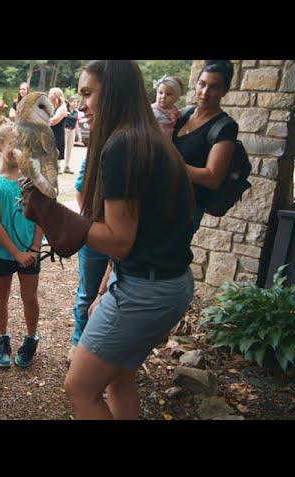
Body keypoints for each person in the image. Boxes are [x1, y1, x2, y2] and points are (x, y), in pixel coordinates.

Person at [20, 60, 195, 420]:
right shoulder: (146, 138)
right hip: (166, 284)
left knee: (80, 388)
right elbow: (140, 231)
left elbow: (118, 241)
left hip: (147, 290)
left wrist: (53, 212)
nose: (80, 103)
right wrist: (105, 289)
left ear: (112, 93)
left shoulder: (123, 146)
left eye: (87, 93)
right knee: (118, 379)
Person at [0, 124, 44, 368]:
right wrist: (16, 252)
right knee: (1, 295)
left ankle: (31, 337)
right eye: (12, 145)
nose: (18, 151)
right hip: (3, 252)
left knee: (29, 296)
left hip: (30, 252)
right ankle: (2, 337)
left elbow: (41, 217)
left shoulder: (33, 181)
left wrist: (35, 249)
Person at [172, 60, 238, 233]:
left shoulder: (224, 127)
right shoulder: (183, 115)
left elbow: (213, 178)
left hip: (185, 211)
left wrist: (170, 165)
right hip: (159, 199)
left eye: (214, 87)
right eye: (202, 84)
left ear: (225, 91)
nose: (205, 92)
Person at [67, 157, 110, 364]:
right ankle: (79, 343)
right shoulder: (96, 153)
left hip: (125, 235)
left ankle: (102, 348)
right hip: (95, 232)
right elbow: (81, 190)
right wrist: (93, 224)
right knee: (87, 294)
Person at [48, 87, 68, 172]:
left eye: (50, 94)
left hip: (57, 133)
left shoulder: (62, 107)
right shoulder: (48, 106)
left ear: (56, 96)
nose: (48, 95)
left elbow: (54, 121)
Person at [63, 96, 81, 174]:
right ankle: (59, 166)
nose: (75, 103)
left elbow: (77, 124)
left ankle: (67, 166)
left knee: (70, 149)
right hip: (65, 130)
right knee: (63, 148)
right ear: (69, 102)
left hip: (72, 131)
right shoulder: (65, 110)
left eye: (76, 102)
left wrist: (79, 134)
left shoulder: (76, 112)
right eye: (74, 102)